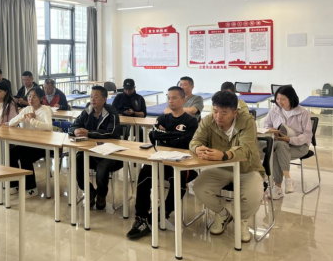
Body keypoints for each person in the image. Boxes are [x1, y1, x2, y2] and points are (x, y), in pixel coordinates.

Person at [190, 91, 265, 244]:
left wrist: (225, 155)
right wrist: (197, 148)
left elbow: (246, 149)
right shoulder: (208, 120)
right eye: (215, 111)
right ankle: (223, 214)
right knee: (199, 187)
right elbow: (195, 141)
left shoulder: (247, 122)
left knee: (253, 196)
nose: (218, 116)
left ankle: (242, 220)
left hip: (246, 169)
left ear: (235, 112)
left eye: (224, 113)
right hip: (221, 168)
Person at [127, 87, 198, 240]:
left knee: (178, 181)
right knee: (144, 176)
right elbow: (154, 137)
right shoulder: (162, 118)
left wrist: (165, 136)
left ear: (183, 100)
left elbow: (186, 143)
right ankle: (141, 217)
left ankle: (161, 214)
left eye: (174, 98)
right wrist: (173, 137)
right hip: (161, 159)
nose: (170, 101)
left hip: (183, 162)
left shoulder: (191, 121)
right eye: (168, 98)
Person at [70, 86, 121, 211]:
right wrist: (75, 130)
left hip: (110, 154)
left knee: (102, 167)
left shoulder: (111, 112)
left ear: (104, 99)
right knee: (77, 159)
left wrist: (89, 133)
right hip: (91, 151)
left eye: (96, 97)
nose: (92, 99)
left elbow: (112, 133)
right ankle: (89, 191)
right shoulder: (87, 110)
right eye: (91, 96)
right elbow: (74, 125)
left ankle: (101, 194)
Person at [263, 85, 313, 200]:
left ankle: (277, 187)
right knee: (280, 146)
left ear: (291, 98)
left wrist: (290, 139)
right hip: (280, 143)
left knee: (276, 152)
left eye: (283, 99)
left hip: (299, 146)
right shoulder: (274, 110)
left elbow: (307, 135)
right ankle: (287, 179)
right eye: (277, 99)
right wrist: (271, 130)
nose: (279, 102)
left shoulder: (303, 113)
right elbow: (266, 125)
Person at [8, 87, 54, 198]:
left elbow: (49, 127)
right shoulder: (26, 109)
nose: (30, 99)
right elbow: (11, 123)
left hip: (43, 144)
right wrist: (24, 116)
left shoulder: (46, 110)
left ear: (41, 98)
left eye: (34, 97)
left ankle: (31, 188)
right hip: (28, 143)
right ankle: (14, 184)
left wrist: (32, 120)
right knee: (11, 153)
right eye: (29, 96)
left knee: (25, 157)